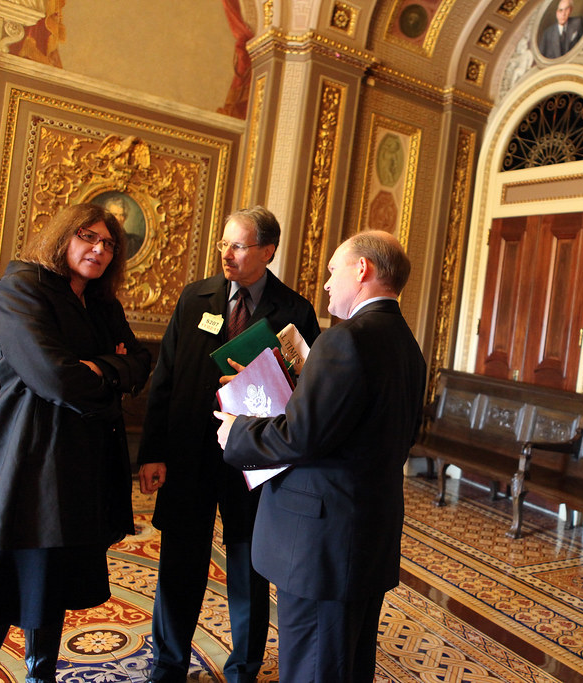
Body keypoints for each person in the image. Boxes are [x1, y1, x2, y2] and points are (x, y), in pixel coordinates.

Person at [215, 230, 427, 683]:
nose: (327, 283)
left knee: (313, 669)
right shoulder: (407, 345)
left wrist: (236, 431)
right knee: (348, 666)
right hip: (367, 532)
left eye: (334, 271)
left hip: (321, 542)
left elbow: (301, 437)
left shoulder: (345, 339)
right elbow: (374, 431)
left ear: (362, 269)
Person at [0, 204, 151, 683]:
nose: (99, 250)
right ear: (64, 237)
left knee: (53, 585)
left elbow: (140, 362)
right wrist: (107, 367)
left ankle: (40, 677)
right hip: (23, 460)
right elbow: (54, 377)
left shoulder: (104, 304)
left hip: (78, 463)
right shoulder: (24, 285)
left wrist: (101, 367)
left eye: (109, 245)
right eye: (89, 237)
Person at [137, 206, 320, 683]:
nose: (227, 254)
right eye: (223, 244)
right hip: (189, 454)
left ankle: (244, 668)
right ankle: (168, 664)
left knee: (249, 568)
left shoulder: (296, 310)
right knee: (179, 564)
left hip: (255, 460)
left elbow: (307, 390)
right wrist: (152, 451)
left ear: (267, 251)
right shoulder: (196, 297)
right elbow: (166, 378)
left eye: (238, 246)